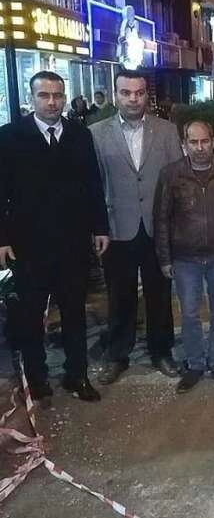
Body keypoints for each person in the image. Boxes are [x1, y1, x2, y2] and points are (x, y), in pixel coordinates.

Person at [0, 71, 109, 405]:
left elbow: (93, 184)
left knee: (75, 313)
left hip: (72, 244)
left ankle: (78, 375)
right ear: (31, 98)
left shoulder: (79, 134)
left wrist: (100, 227)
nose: (52, 102)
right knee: (30, 317)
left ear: (65, 97)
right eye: (44, 95)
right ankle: (37, 380)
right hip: (27, 246)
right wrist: (2, 238)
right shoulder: (9, 136)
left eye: (57, 95)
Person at [90, 70, 184, 385]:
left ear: (147, 95)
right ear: (115, 94)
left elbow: (177, 180)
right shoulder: (96, 133)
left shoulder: (167, 131)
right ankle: (118, 354)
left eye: (139, 93)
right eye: (126, 92)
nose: (133, 99)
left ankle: (162, 351)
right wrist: (97, 227)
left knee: (160, 293)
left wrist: (176, 225)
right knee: (120, 295)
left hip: (158, 227)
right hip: (117, 228)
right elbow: (93, 185)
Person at [153, 120, 214, 393]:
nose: (199, 148)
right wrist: (165, 258)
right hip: (185, 258)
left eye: (204, 141)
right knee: (189, 314)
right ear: (184, 145)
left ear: (213, 142)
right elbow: (161, 219)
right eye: (193, 142)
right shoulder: (170, 175)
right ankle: (195, 365)